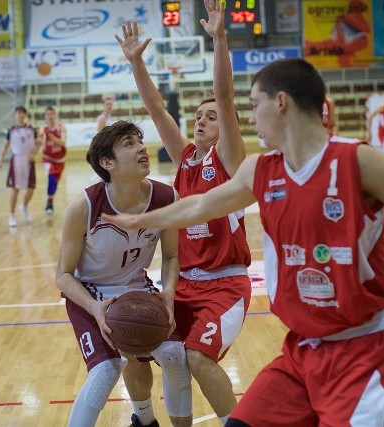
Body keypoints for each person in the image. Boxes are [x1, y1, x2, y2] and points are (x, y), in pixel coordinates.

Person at [102, 58, 384, 427]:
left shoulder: (359, 160)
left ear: (280, 103)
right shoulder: (261, 169)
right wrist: (141, 220)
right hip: (301, 349)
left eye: (253, 106)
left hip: (364, 349)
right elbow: (201, 205)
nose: (249, 119)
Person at [115, 1, 251, 424]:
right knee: (173, 358)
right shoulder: (188, 158)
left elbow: (225, 97)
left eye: (210, 117)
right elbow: (157, 110)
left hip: (225, 284)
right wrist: (137, 63)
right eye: (197, 115)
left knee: (198, 359)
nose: (201, 120)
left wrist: (220, 39)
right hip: (185, 285)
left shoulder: (229, 159)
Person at [56, 120, 192, 427]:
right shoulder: (85, 205)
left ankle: (147, 422)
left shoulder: (167, 198)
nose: (141, 148)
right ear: (108, 163)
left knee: (174, 357)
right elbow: (63, 275)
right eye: (128, 144)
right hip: (89, 293)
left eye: (139, 141)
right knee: (106, 371)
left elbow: (171, 256)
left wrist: (168, 293)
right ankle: (143, 418)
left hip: (136, 287)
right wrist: (94, 308)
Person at [0, 106, 40, 227]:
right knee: (15, 190)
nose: (20, 115)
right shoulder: (11, 130)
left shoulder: (32, 129)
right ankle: (11, 215)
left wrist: (34, 153)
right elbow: (5, 147)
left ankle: (24, 207)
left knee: (30, 189)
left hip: (28, 160)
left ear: (25, 115)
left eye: (22, 113)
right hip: (16, 160)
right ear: (15, 115)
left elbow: (38, 144)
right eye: (18, 113)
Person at [39, 106, 67, 215]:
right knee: (51, 178)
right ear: (45, 117)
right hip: (48, 159)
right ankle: (49, 203)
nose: (50, 116)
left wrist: (54, 139)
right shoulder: (43, 129)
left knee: (54, 182)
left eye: (51, 113)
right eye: (47, 114)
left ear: (54, 115)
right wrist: (40, 140)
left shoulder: (61, 127)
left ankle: (50, 199)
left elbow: (63, 143)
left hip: (60, 160)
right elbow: (40, 141)